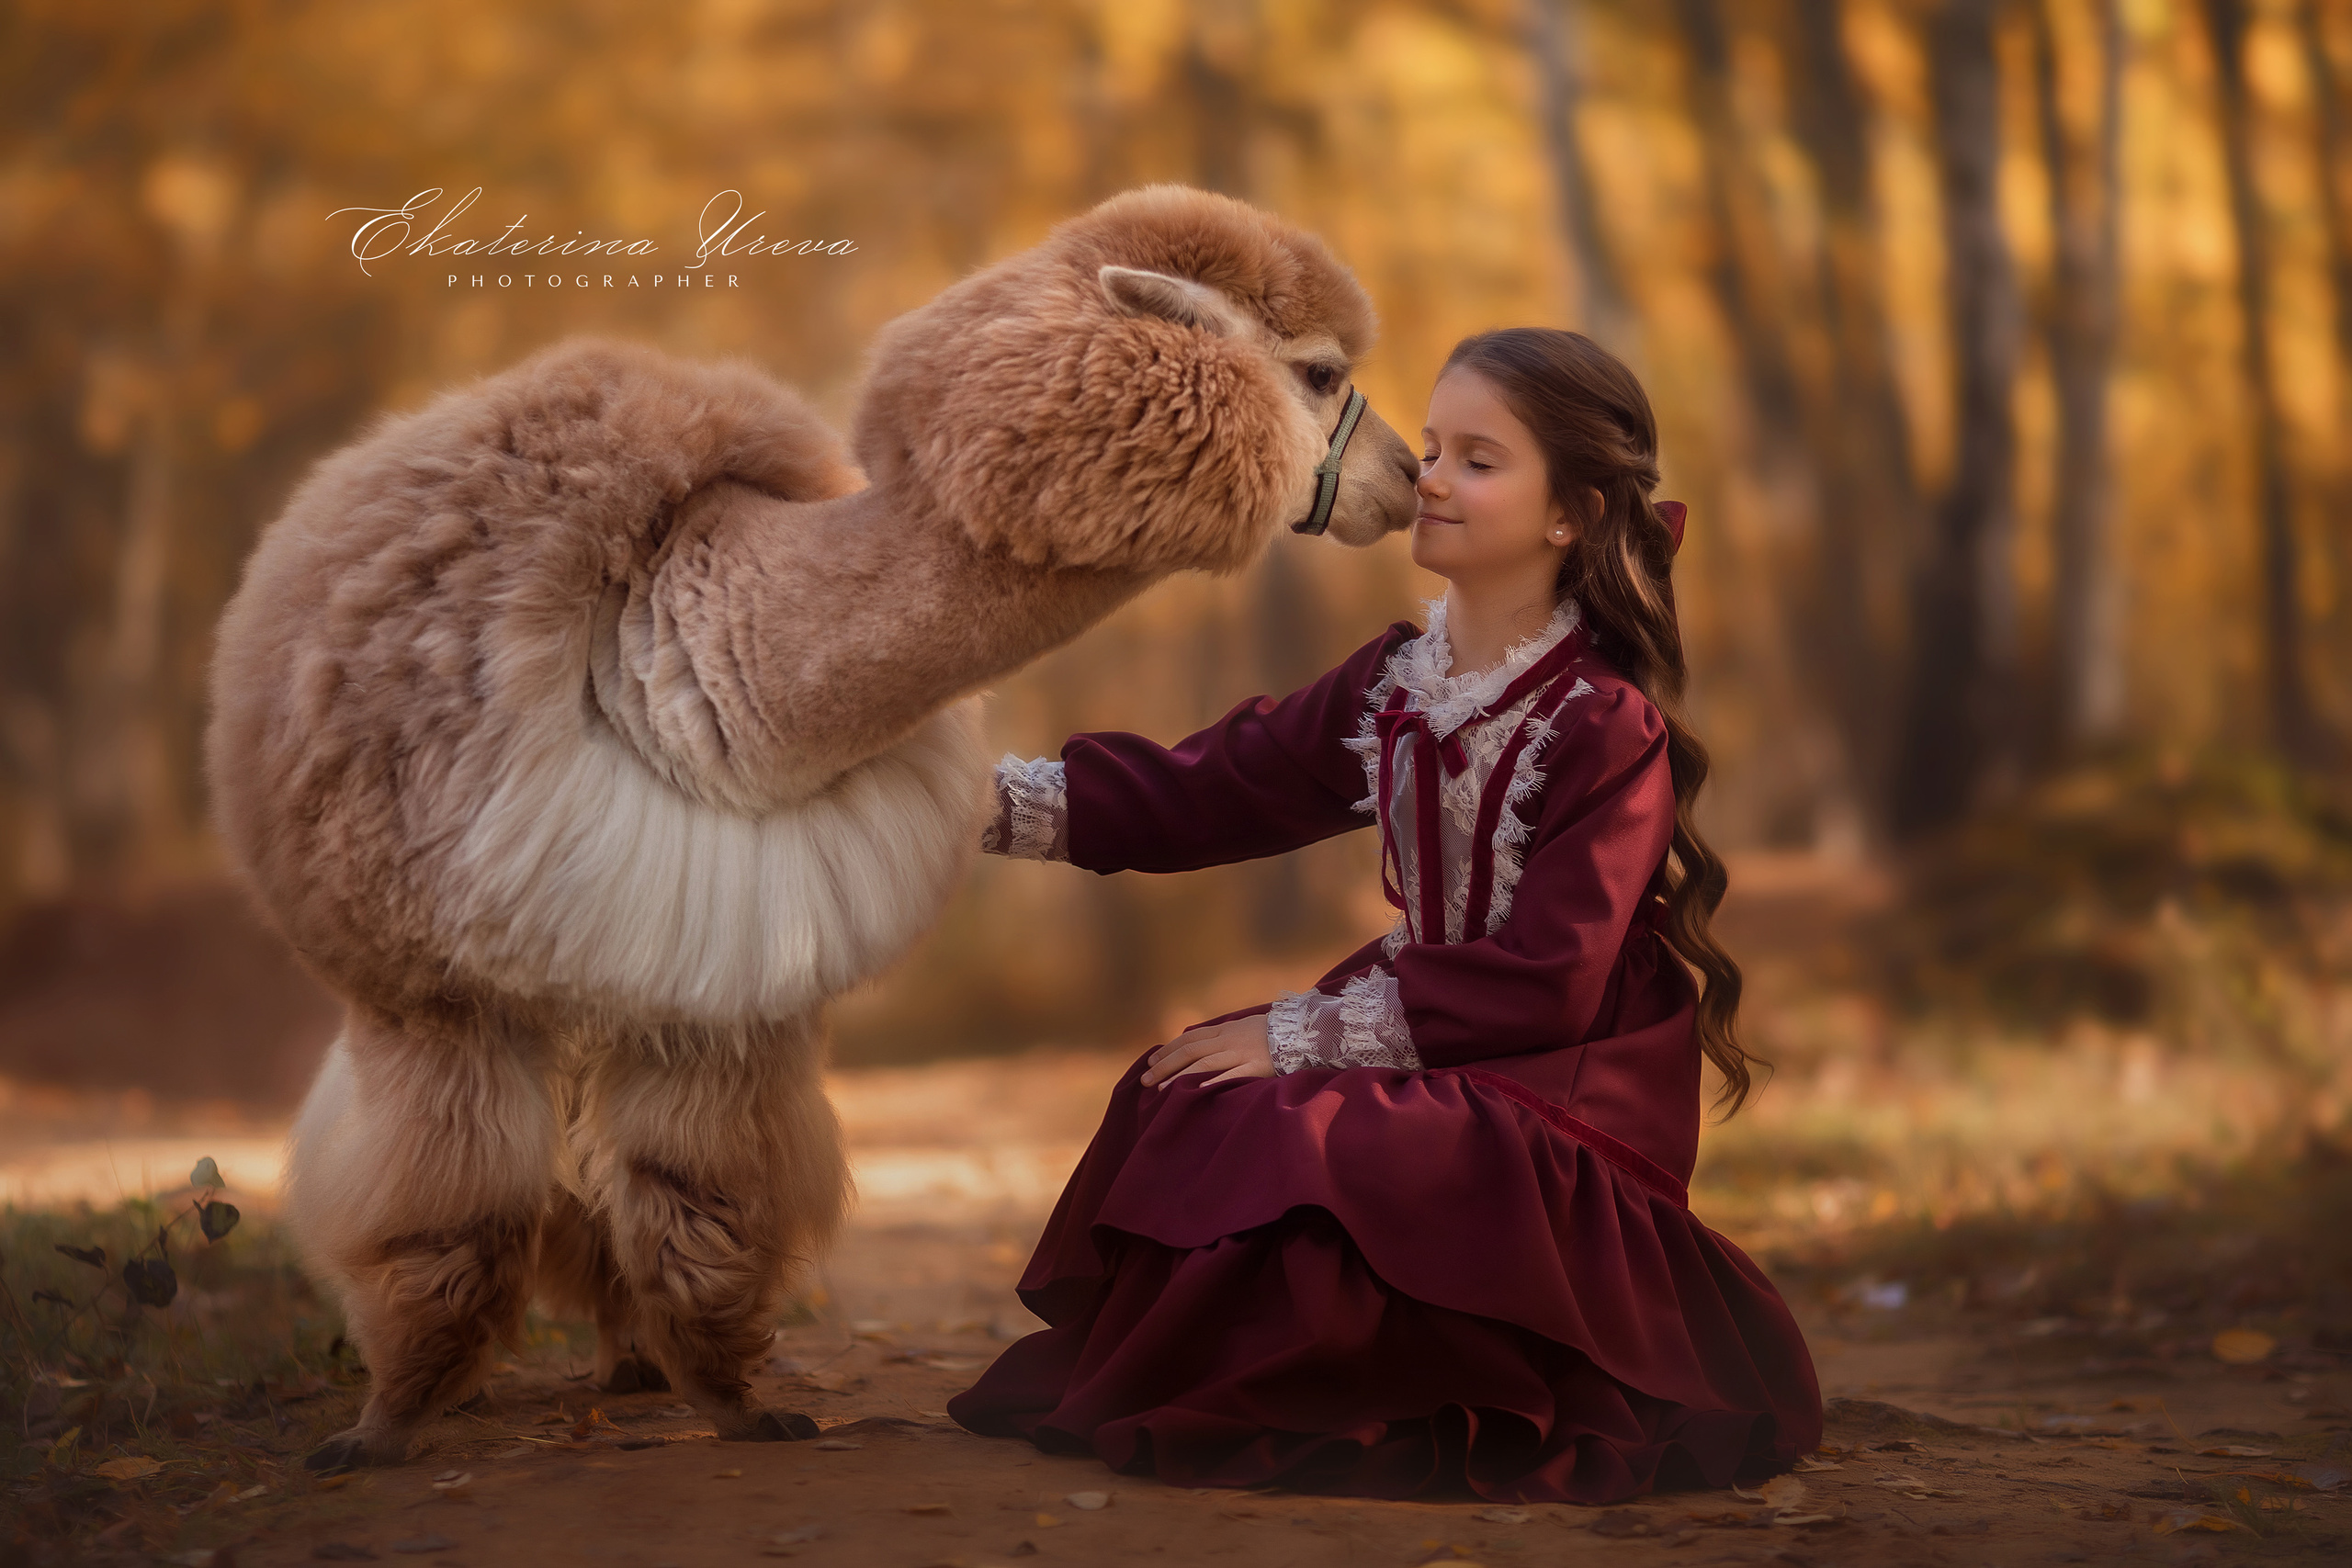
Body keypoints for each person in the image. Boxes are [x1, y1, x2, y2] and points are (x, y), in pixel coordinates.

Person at [945, 327, 1823, 1504]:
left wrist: (1306, 1033)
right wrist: (963, 805)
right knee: (1188, 1090)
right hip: (1433, 1018)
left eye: (1478, 459)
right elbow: (1214, 788)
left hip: (1560, 1069)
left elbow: (1551, 975)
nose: (1432, 477)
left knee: (1307, 1125)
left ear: (1571, 513)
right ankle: (1280, 1374)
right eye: (1434, 447)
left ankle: (1390, 1388)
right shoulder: (1396, 681)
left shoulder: (1603, 724)